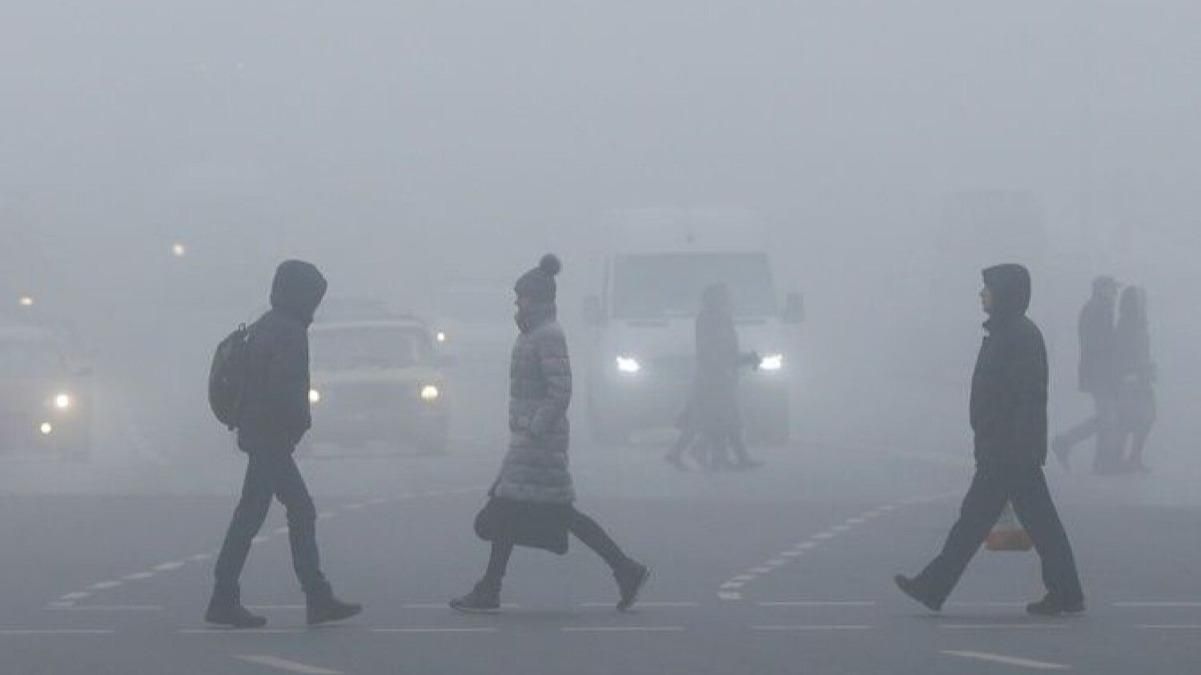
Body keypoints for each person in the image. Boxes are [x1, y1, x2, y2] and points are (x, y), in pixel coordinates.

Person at [450, 255, 650, 613]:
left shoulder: (547, 336)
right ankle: (625, 568)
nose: (517, 302)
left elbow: (561, 390)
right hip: (531, 440)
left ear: (538, 300)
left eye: (522, 296)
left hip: (538, 442)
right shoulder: (534, 334)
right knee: (539, 513)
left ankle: (490, 588)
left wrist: (534, 427)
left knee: (516, 509)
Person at [895, 264, 1085, 616]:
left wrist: (1011, 447)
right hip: (1008, 449)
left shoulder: (1018, 336)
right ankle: (1066, 591)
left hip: (1008, 451)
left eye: (988, 288)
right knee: (1035, 524)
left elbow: (1026, 398)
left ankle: (933, 586)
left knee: (975, 523)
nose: (982, 294)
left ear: (1006, 293)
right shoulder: (1008, 333)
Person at [206, 260, 361, 629]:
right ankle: (315, 595)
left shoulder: (265, 324)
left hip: (258, 432)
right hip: (271, 437)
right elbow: (285, 388)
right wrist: (297, 425)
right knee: (299, 511)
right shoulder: (289, 331)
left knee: (251, 515)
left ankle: (225, 596)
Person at [665, 284, 761, 471]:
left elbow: (725, 350)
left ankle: (701, 455)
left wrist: (741, 360)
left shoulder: (718, 319)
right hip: (714, 377)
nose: (729, 300)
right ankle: (722, 457)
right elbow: (715, 350)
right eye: (725, 297)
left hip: (719, 375)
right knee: (720, 419)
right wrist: (742, 360)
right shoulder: (710, 319)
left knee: (715, 418)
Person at [1052, 276, 1120, 473]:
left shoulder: (1098, 308)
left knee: (1106, 417)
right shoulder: (1098, 310)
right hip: (1100, 373)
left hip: (1098, 373)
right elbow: (1100, 345)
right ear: (1101, 289)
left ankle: (1069, 443)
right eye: (1112, 289)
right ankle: (1101, 461)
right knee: (1108, 418)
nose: (1115, 293)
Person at [1114, 286, 1156, 473]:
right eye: (1140, 299)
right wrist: (1132, 370)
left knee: (1146, 417)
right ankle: (1124, 459)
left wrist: (1148, 367)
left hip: (1142, 376)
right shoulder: (1127, 324)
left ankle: (1133, 457)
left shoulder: (1139, 323)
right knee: (1130, 419)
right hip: (1131, 377)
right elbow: (1123, 352)